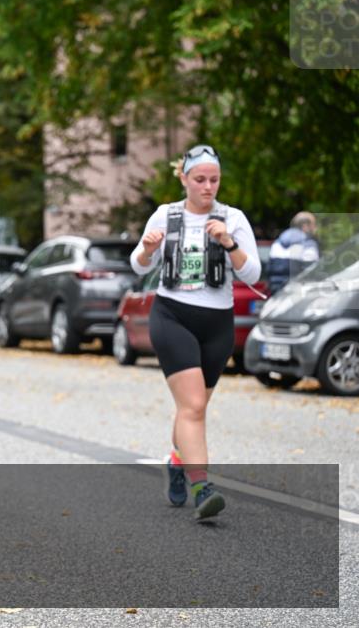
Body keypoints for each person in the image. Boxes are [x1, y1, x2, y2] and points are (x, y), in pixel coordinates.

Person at [130, 145, 261, 521]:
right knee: (194, 407)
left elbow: (252, 275)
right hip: (172, 316)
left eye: (214, 180)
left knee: (193, 407)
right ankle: (203, 486)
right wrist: (146, 250)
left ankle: (176, 460)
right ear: (184, 179)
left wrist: (229, 243)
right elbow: (138, 267)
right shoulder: (164, 215)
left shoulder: (232, 219)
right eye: (200, 179)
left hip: (217, 324)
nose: (208, 187)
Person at [268, 211, 320, 294]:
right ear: (305, 226)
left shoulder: (277, 242)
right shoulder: (308, 244)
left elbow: (270, 270)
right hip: (297, 295)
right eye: (313, 225)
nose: (315, 228)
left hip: (276, 292)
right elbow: (312, 272)